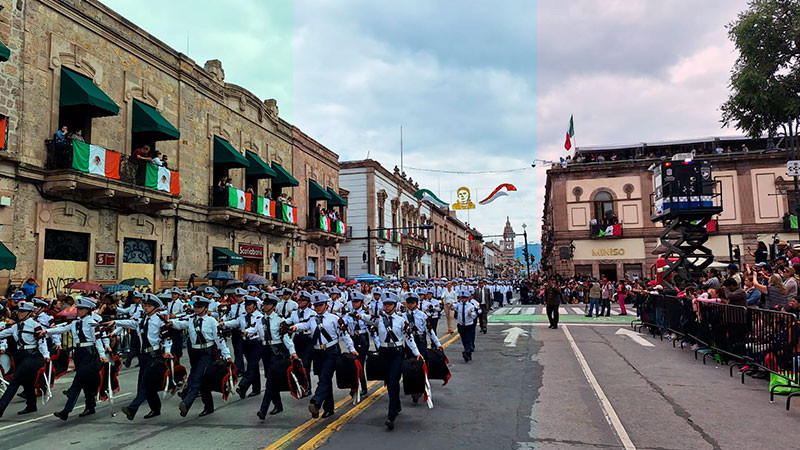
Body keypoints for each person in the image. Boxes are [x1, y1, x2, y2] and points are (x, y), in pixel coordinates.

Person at [358, 292, 423, 430]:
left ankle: (391, 415)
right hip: (384, 352)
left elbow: (409, 338)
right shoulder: (379, 320)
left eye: (390, 304)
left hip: (397, 353)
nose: (387, 307)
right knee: (388, 381)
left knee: (393, 381)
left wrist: (417, 353)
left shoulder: (401, 321)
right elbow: (367, 318)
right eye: (385, 304)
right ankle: (397, 404)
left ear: (395, 306)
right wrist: (358, 315)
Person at [104, 293, 173, 420]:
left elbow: (167, 338)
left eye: (148, 306)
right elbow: (130, 322)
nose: (145, 308)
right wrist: (115, 322)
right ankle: (155, 409)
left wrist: (167, 351)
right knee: (146, 384)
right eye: (144, 305)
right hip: (144, 356)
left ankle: (132, 408)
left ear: (155, 307)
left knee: (145, 384)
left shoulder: (159, 320)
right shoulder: (142, 320)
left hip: (154, 355)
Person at [289, 292, 357, 420]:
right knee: (323, 379)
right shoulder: (313, 319)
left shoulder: (334, 319)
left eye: (321, 305)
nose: (318, 308)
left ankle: (316, 402)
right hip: (317, 352)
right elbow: (304, 325)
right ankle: (328, 408)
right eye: (316, 305)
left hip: (331, 351)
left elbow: (344, 334)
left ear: (326, 305)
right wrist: (294, 327)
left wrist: (351, 348)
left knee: (325, 377)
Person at [48, 297, 108, 421]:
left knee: (78, 380)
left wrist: (102, 354)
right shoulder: (75, 323)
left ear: (88, 310)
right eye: (78, 308)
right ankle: (90, 406)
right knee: (86, 382)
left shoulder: (92, 322)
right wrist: (46, 331)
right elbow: (62, 329)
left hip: (89, 352)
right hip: (79, 353)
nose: (79, 311)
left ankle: (66, 410)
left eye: (82, 309)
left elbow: (97, 340)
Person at [172, 296, 232, 418]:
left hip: (207, 351)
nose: (196, 309)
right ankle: (208, 407)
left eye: (199, 307)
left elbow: (219, 339)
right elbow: (179, 324)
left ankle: (186, 403)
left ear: (205, 308)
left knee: (197, 377)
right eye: (195, 306)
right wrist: (169, 322)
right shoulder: (191, 320)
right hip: (195, 352)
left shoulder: (211, 321)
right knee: (202, 380)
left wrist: (227, 354)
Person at [247, 293, 298, 420]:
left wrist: (292, 352)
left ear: (274, 306)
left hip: (277, 351)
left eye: (268, 304)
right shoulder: (261, 319)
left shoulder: (279, 320)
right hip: (266, 350)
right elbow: (254, 330)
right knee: (271, 379)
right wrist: (246, 332)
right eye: (264, 304)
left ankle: (263, 409)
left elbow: (286, 337)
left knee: (270, 379)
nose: (265, 306)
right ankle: (278, 405)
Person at [0, 301, 49, 417]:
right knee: (28, 381)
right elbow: (3, 334)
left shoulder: (35, 325)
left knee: (15, 381)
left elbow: (42, 342)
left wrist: (46, 355)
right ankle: (31, 405)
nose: (20, 314)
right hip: (20, 355)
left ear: (29, 313)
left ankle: (0, 408)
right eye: (19, 311)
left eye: (23, 312)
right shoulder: (16, 326)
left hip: (32, 355)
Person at [222, 295, 263, 399]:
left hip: (256, 343)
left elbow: (255, 328)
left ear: (255, 306)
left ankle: (243, 387)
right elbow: (235, 322)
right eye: (246, 305)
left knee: (251, 366)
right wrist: (223, 324)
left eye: (250, 305)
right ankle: (256, 388)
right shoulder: (243, 316)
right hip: (246, 343)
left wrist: (247, 332)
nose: (247, 307)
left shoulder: (259, 317)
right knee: (253, 366)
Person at [452, 287, 478, 362]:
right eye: (461, 298)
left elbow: (475, 315)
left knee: (468, 339)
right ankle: (468, 353)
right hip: (461, 325)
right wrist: (451, 306)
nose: (462, 300)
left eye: (464, 298)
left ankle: (466, 352)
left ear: (467, 298)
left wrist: (471, 314)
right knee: (463, 340)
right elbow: (453, 307)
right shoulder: (459, 305)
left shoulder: (470, 305)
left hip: (469, 325)